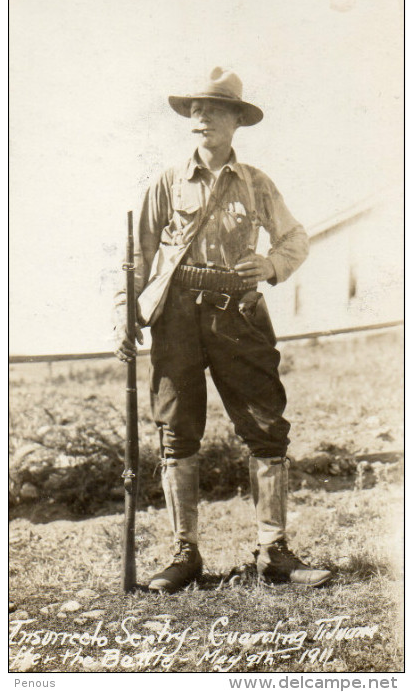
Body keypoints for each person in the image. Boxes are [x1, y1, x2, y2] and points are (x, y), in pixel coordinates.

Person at [115, 67, 332, 592]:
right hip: (177, 318)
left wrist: (271, 266)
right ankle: (184, 553)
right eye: (194, 108)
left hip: (240, 316)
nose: (200, 116)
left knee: (265, 426)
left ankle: (274, 553)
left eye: (213, 108)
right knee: (176, 431)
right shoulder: (166, 183)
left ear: (237, 119)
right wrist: (124, 319)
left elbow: (296, 239)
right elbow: (137, 257)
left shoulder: (257, 183)